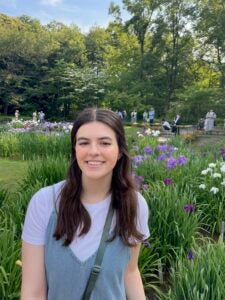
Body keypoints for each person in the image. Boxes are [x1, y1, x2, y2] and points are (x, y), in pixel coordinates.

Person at [21, 108, 150, 300]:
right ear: (75, 149)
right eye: (84, 143)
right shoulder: (44, 203)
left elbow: (130, 273)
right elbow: (33, 291)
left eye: (105, 143)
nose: (93, 151)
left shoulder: (134, 205)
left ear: (120, 150)